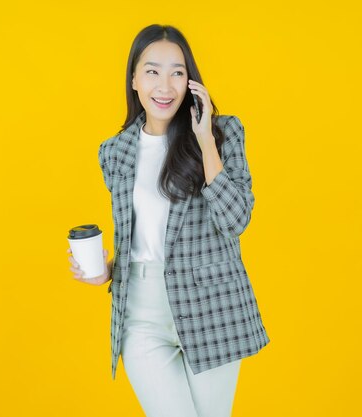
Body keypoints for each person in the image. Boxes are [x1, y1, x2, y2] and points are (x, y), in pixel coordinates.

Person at [67, 24, 269, 417]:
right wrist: (106, 269)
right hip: (141, 310)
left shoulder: (224, 133)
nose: (165, 85)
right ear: (134, 80)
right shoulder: (115, 151)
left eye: (177, 72)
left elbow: (236, 219)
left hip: (211, 305)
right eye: (152, 71)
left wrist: (205, 138)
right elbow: (139, 237)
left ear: (190, 81)